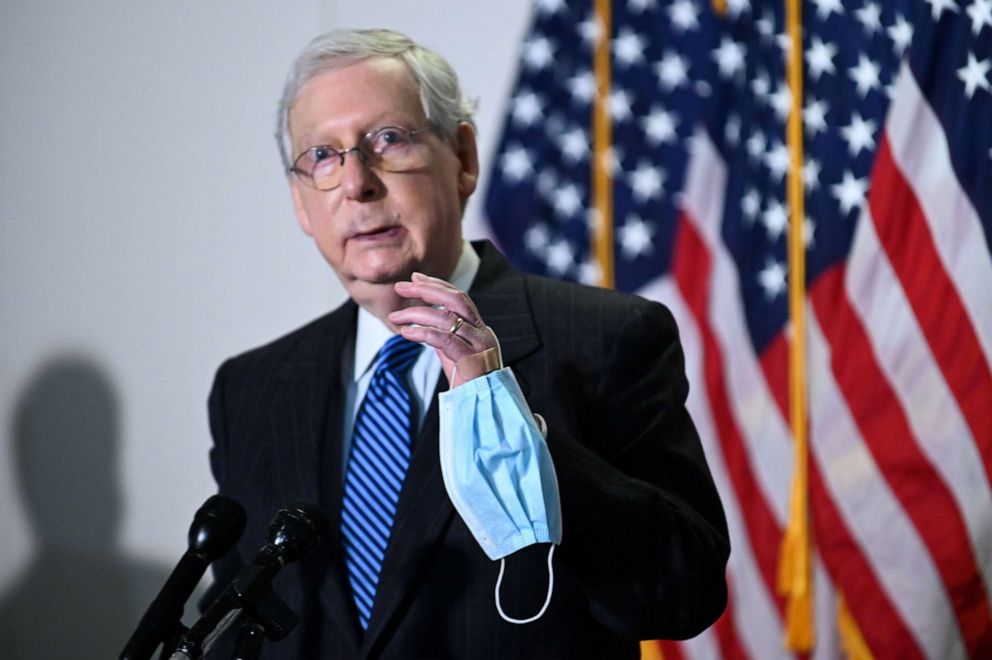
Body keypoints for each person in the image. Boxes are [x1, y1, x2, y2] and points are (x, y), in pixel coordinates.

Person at [204, 28, 729, 659]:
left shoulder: (605, 339)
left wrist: (507, 425)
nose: (356, 184)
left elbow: (683, 594)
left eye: (388, 140)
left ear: (464, 158)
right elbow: (237, 619)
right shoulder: (251, 389)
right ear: (299, 202)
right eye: (322, 156)